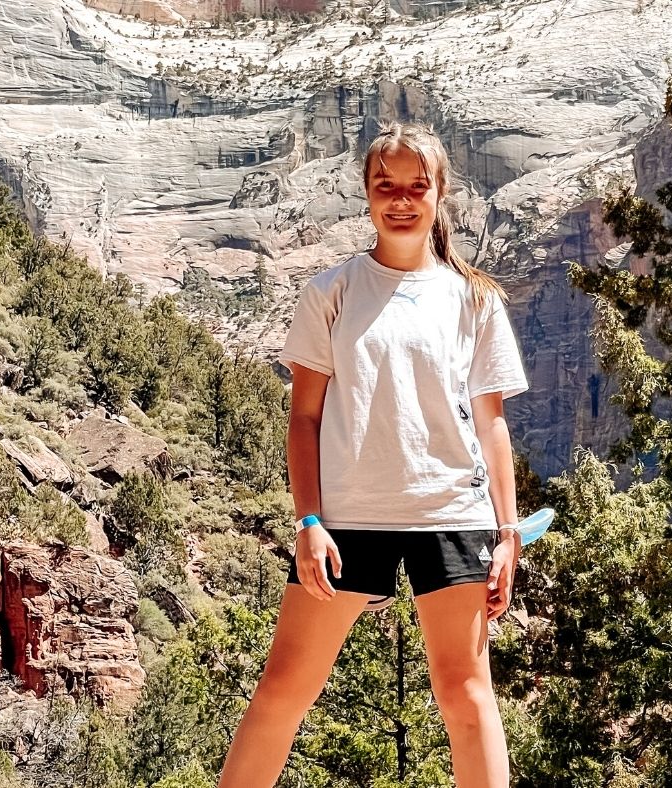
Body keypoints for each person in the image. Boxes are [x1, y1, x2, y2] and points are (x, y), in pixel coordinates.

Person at [216, 120, 530, 788]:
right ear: (366, 193)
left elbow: (492, 423)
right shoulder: (328, 292)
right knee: (282, 692)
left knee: (467, 698)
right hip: (347, 521)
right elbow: (303, 419)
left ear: (440, 193)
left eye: (417, 186)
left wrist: (507, 532)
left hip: (452, 515)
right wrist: (308, 521)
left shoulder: (474, 300)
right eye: (387, 185)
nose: (402, 199)